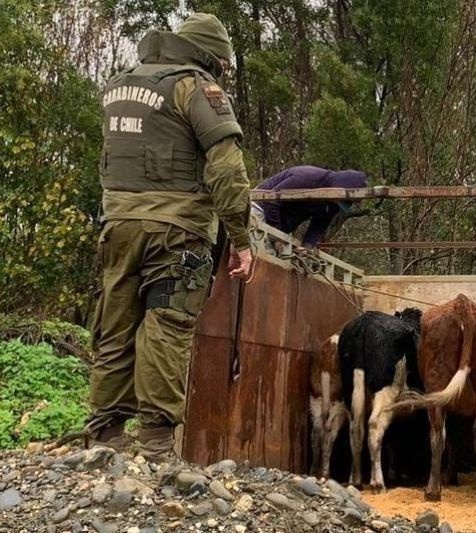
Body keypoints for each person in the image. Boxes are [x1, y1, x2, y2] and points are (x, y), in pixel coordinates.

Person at [86, 12, 253, 462]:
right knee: (168, 324)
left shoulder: (118, 86)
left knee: (115, 323)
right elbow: (226, 168)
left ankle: (105, 439)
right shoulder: (195, 86)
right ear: (211, 56)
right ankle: (157, 446)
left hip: (117, 225)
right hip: (177, 232)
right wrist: (241, 238)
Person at [253, 165, 368, 248]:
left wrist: (307, 247)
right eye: (341, 199)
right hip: (261, 208)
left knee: (286, 261)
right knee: (263, 254)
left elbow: (318, 226)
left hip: (281, 227)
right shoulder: (306, 177)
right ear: (337, 187)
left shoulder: (333, 204)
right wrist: (276, 235)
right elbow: (270, 200)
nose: (337, 202)